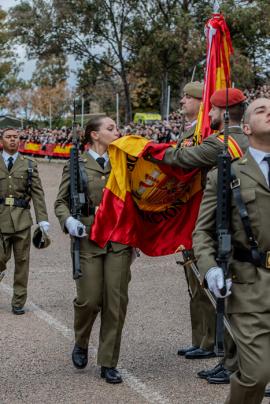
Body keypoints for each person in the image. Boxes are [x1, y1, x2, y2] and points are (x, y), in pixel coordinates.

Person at [193, 97, 270, 403]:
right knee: (256, 373)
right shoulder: (227, 175)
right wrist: (211, 267)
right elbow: (203, 231)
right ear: (247, 127)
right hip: (249, 284)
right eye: (261, 110)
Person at [54, 116, 132, 384]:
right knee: (88, 300)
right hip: (88, 238)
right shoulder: (76, 164)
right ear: (94, 135)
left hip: (119, 240)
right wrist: (69, 221)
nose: (117, 131)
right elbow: (61, 202)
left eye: (116, 128)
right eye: (110, 128)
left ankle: (108, 362)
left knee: (115, 301)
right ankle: (82, 340)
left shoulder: (124, 162)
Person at [174, 81, 217, 360]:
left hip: (202, 213)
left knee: (203, 279)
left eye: (187, 98)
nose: (181, 102)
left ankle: (211, 341)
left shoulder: (205, 134)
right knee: (192, 280)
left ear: (201, 102)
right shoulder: (186, 132)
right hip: (187, 214)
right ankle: (200, 338)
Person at [0, 128, 49, 315]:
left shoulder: (29, 164)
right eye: (8, 137)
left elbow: (38, 193)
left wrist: (42, 220)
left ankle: (18, 301)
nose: (12, 140)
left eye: (15, 137)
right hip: (0, 218)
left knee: (22, 262)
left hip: (22, 220)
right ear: (2, 140)